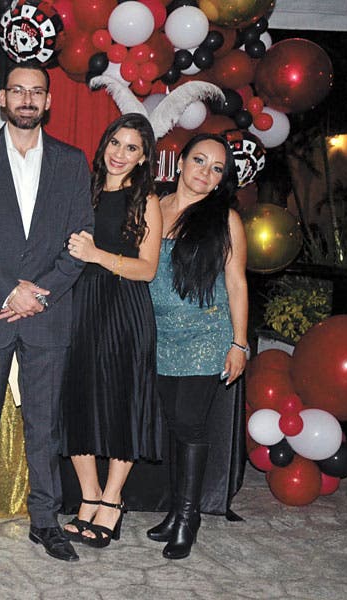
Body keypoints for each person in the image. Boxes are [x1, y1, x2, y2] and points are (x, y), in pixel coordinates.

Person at [0, 65, 94, 563]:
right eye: (18, 91)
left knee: (44, 426)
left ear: (48, 101)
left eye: (36, 92)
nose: (27, 99)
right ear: (2, 98)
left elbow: (81, 240)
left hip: (48, 315)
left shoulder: (72, 162)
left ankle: (46, 521)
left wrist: (40, 294)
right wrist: (9, 291)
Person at [61, 114, 163, 548]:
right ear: (103, 144)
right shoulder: (81, 191)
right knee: (77, 402)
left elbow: (148, 268)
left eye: (131, 148)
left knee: (123, 404)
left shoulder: (147, 201)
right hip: (79, 307)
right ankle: (88, 496)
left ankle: (112, 500)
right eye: (115, 143)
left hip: (125, 310)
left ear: (143, 158)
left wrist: (97, 255)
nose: (120, 154)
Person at [145, 133, 248, 560]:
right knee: (173, 423)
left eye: (216, 168)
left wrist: (239, 343)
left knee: (189, 423)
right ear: (181, 161)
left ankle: (188, 518)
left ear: (222, 179)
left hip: (206, 335)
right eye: (199, 160)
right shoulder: (154, 206)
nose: (205, 172)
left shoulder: (225, 219)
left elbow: (237, 284)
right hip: (159, 334)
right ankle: (176, 510)